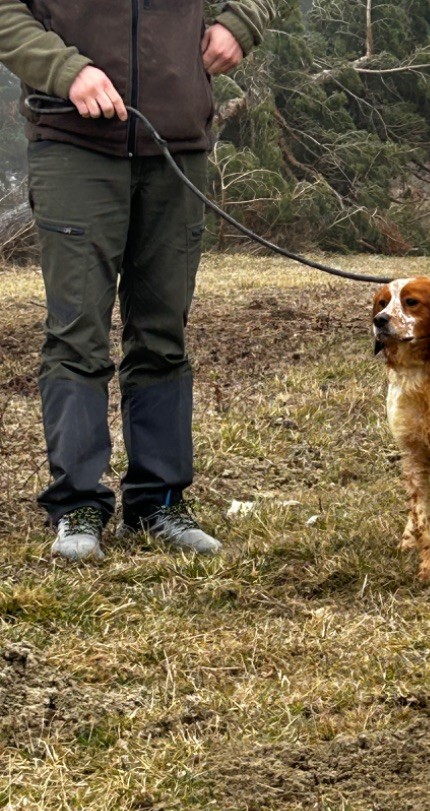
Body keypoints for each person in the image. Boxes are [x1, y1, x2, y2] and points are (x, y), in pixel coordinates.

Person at [0, 0, 275, 560]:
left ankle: (159, 502)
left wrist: (242, 21)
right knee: (76, 334)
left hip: (177, 144)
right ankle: (77, 505)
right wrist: (64, 69)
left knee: (162, 334)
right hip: (73, 142)